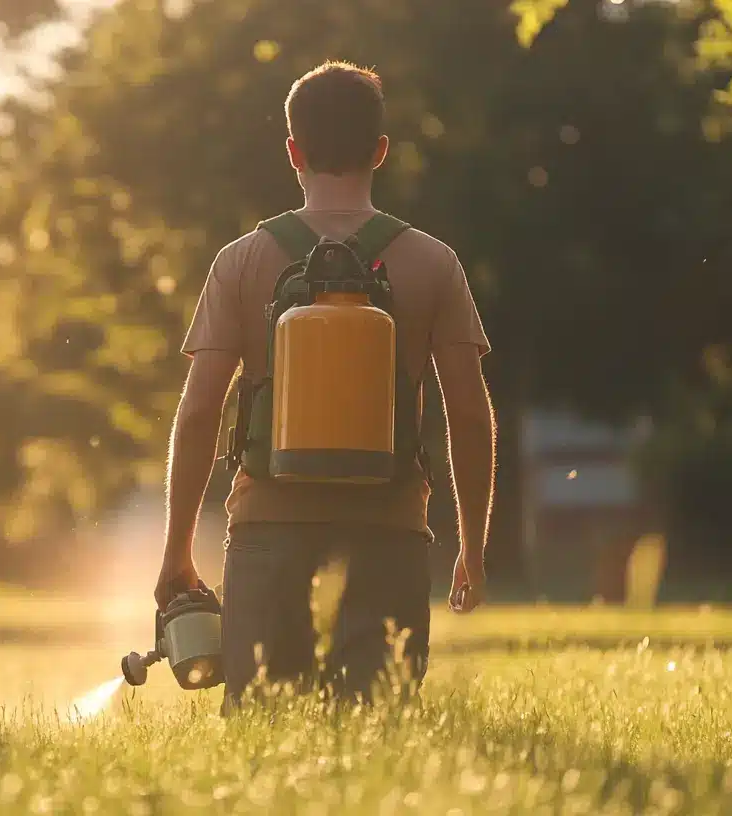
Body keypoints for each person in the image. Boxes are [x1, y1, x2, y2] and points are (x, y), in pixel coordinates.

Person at [154, 60, 497, 712]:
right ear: (381, 150)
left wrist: (176, 553)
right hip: (391, 529)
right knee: (375, 726)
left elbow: (199, 413)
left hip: (267, 531)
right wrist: (472, 552)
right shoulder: (432, 262)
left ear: (293, 151)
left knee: (265, 725)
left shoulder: (241, 261)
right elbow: (470, 416)